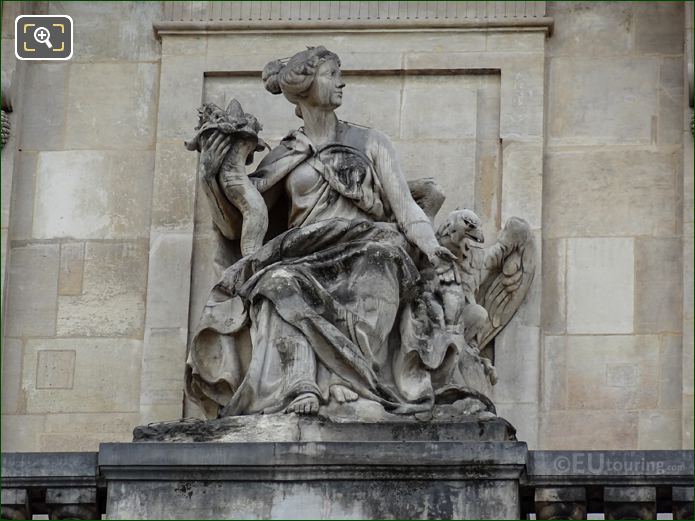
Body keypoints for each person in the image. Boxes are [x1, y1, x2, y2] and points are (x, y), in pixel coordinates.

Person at [185, 46, 469, 419]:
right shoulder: (286, 153)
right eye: (332, 74)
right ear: (305, 85)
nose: (342, 81)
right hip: (303, 250)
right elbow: (238, 223)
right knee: (277, 279)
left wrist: (432, 247)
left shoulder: (371, 143)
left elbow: (406, 207)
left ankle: (351, 378)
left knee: (383, 255)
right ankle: (299, 380)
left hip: (366, 243)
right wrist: (212, 176)